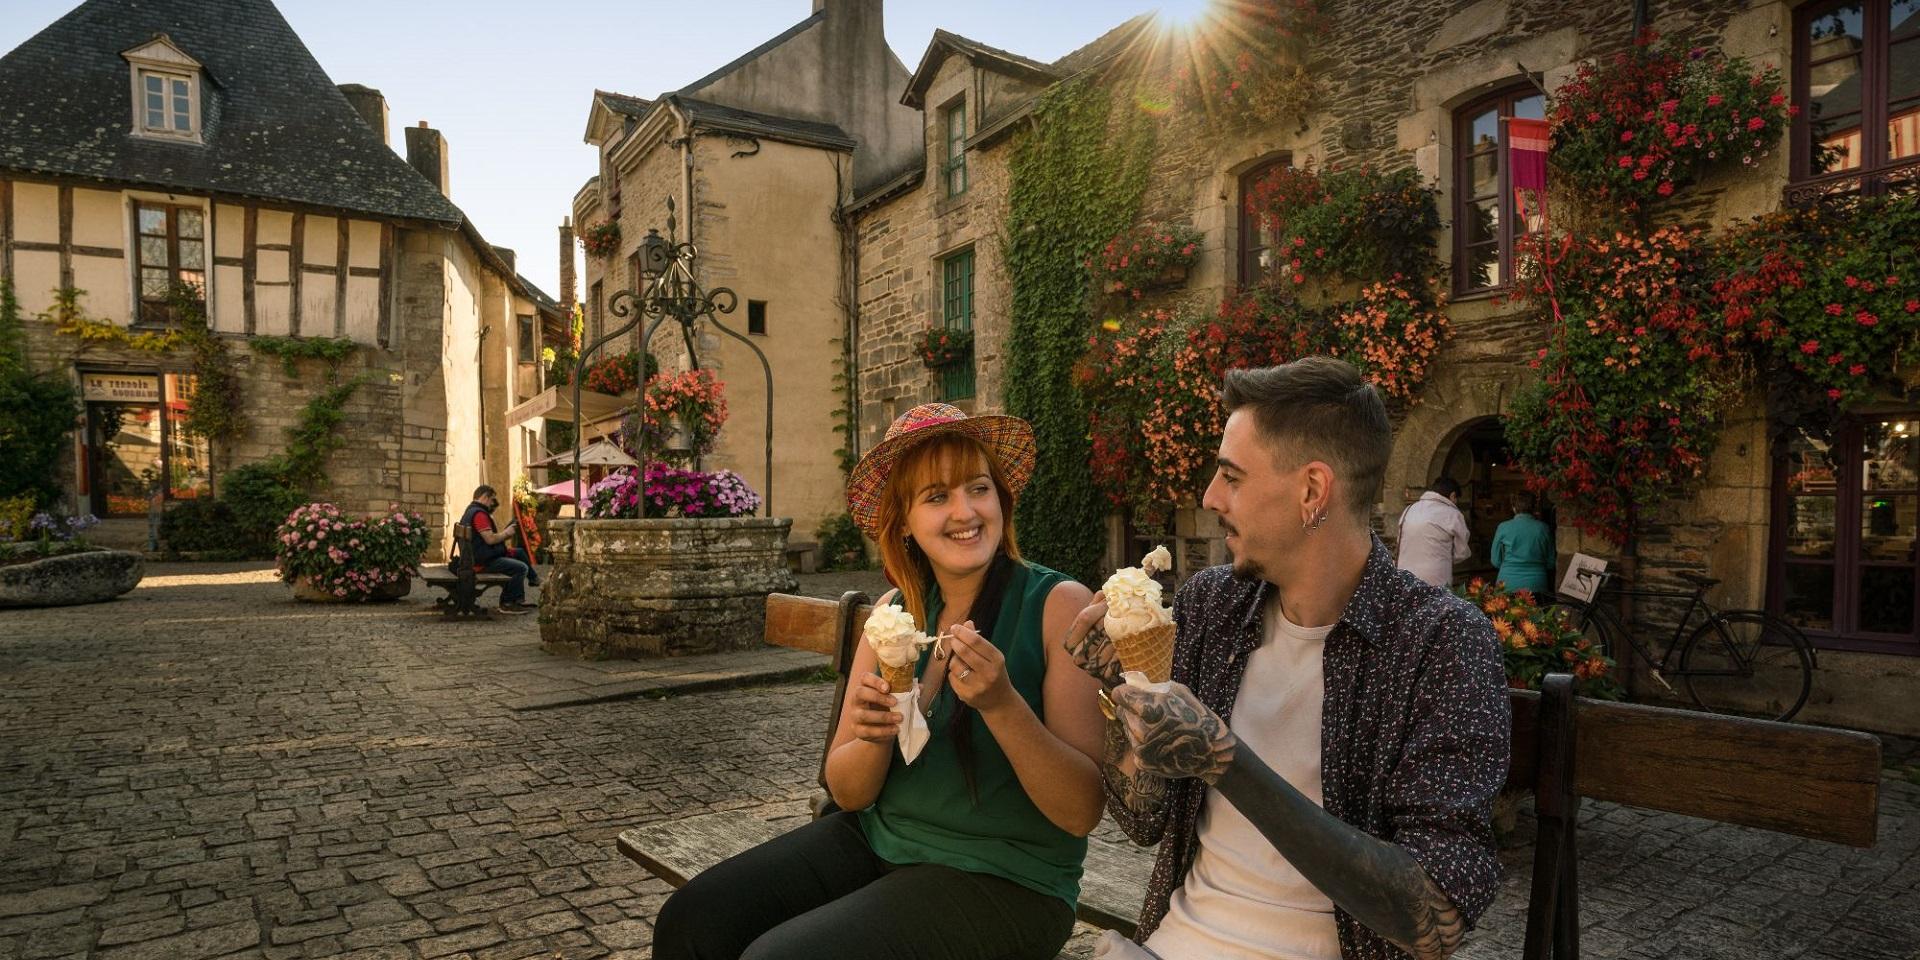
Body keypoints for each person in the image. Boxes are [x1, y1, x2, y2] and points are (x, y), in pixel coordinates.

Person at [1067, 357, 1509, 960]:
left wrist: (1227, 763)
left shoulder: (1440, 642)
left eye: (1232, 476)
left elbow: (1433, 922)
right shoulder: (1212, 605)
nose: (1210, 497)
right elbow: (1145, 820)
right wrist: (1127, 689)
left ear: (1312, 490)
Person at [652, 402, 1107, 960]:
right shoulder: (896, 612)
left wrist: (1002, 705)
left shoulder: (1058, 605)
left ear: (1002, 501)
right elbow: (848, 792)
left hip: (1007, 878)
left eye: (978, 488)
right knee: (692, 922)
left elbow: (1081, 810)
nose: (965, 511)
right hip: (879, 840)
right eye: (937, 497)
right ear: (905, 522)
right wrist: (872, 736)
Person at [459, 485, 533, 614]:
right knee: (520, 568)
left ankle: (519, 597)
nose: (493, 504)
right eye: (492, 500)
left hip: (474, 557)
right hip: (480, 562)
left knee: (518, 555)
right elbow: (490, 539)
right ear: (485, 497)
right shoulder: (479, 514)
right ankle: (508, 603)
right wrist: (506, 533)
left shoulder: (470, 511)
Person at [1396, 476, 1471, 588]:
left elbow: (1400, 543)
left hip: (1406, 578)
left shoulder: (1409, 509)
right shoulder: (1453, 514)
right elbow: (1462, 552)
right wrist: (1441, 555)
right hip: (1436, 579)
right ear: (1452, 495)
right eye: (1456, 499)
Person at [1489, 491, 1554, 596]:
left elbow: (1495, 561)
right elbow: (1551, 562)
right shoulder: (1543, 528)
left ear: (1514, 507)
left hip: (1507, 583)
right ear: (1534, 508)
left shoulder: (1503, 527)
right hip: (1536, 583)